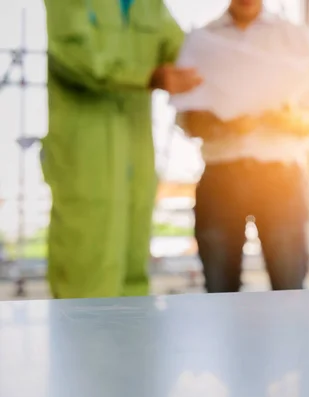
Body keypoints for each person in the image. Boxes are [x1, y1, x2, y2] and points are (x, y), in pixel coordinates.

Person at [41, 0, 202, 298]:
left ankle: (132, 343)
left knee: (133, 266)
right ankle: (81, 344)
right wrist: (148, 76)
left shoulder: (149, 5)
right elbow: (78, 57)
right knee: (86, 267)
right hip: (87, 156)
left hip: (137, 153)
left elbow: (186, 52)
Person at [178, 0, 309, 293]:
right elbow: (187, 119)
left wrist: (288, 119)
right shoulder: (203, 40)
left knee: (290, 291)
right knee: (220, 292)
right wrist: (226, 125)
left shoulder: (295, 37)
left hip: (281, 180)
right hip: (222, 178)